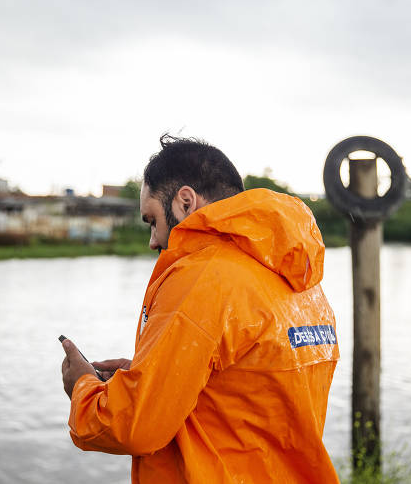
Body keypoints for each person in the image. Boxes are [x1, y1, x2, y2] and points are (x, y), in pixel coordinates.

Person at [61, 135, 340, 483]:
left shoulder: (201, 277)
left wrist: (83, 387)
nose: (153, 241)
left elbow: (134, 428)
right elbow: (249, 395)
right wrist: (147, 374)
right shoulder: (302, 285)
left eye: (151, 220)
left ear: (186, 201)